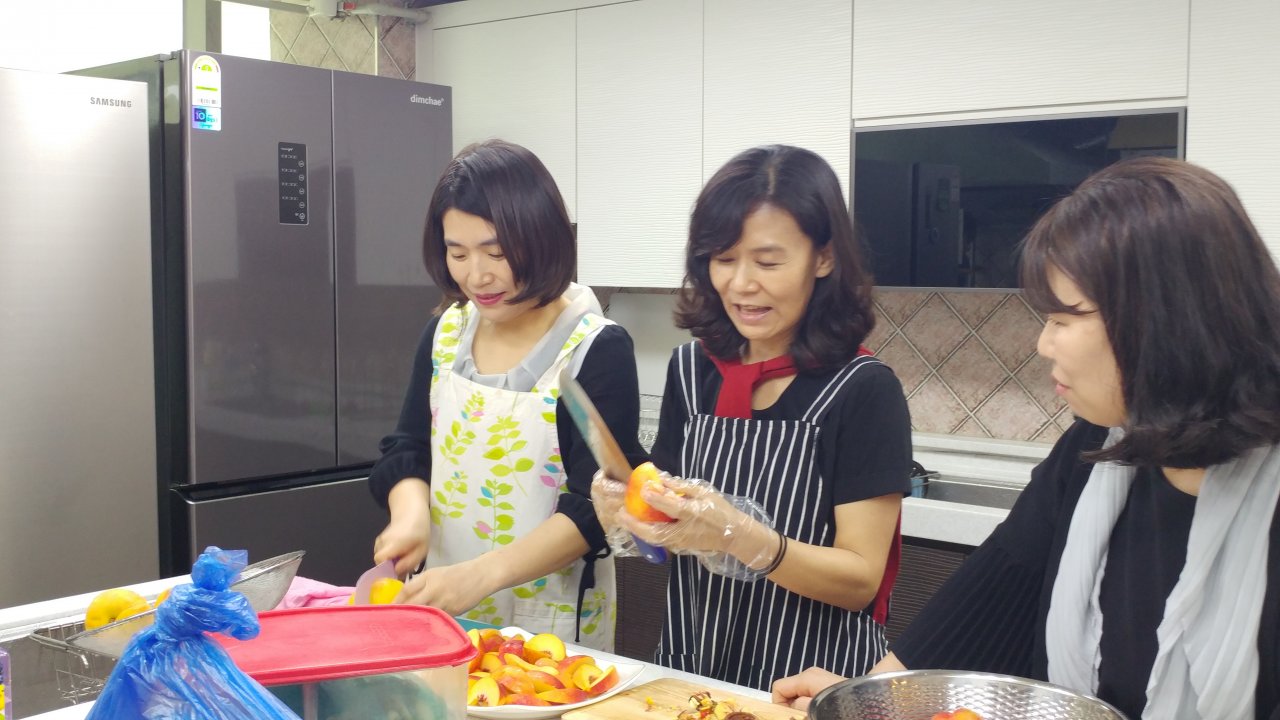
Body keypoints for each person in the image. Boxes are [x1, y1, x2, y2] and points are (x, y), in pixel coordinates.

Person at [773, 156, 1280, 720]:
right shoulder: (1096, 448)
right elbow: (992, 591)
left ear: (1166, 320)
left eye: (1065, 318)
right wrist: (872, 699)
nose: (1043, 344)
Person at [594, 145, 912, 690]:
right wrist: (628, 516)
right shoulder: (690, 371)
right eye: (723, 259)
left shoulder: (863, 390)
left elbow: (860, 579)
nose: (741, 283)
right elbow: (667, 542)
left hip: (811, 682)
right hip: (694, 671)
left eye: (767, 262)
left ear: (824, 258)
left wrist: (741, 536)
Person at [367, 139, 646, 650]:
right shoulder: (446, 333)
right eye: (458, 253)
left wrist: (482, 574)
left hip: (551, 623)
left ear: (542, 239)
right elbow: (407, 448)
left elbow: (597, 505)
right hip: (441, 607)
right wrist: (410, 516)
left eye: (496, 253)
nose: (477, 275)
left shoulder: (594, 349)